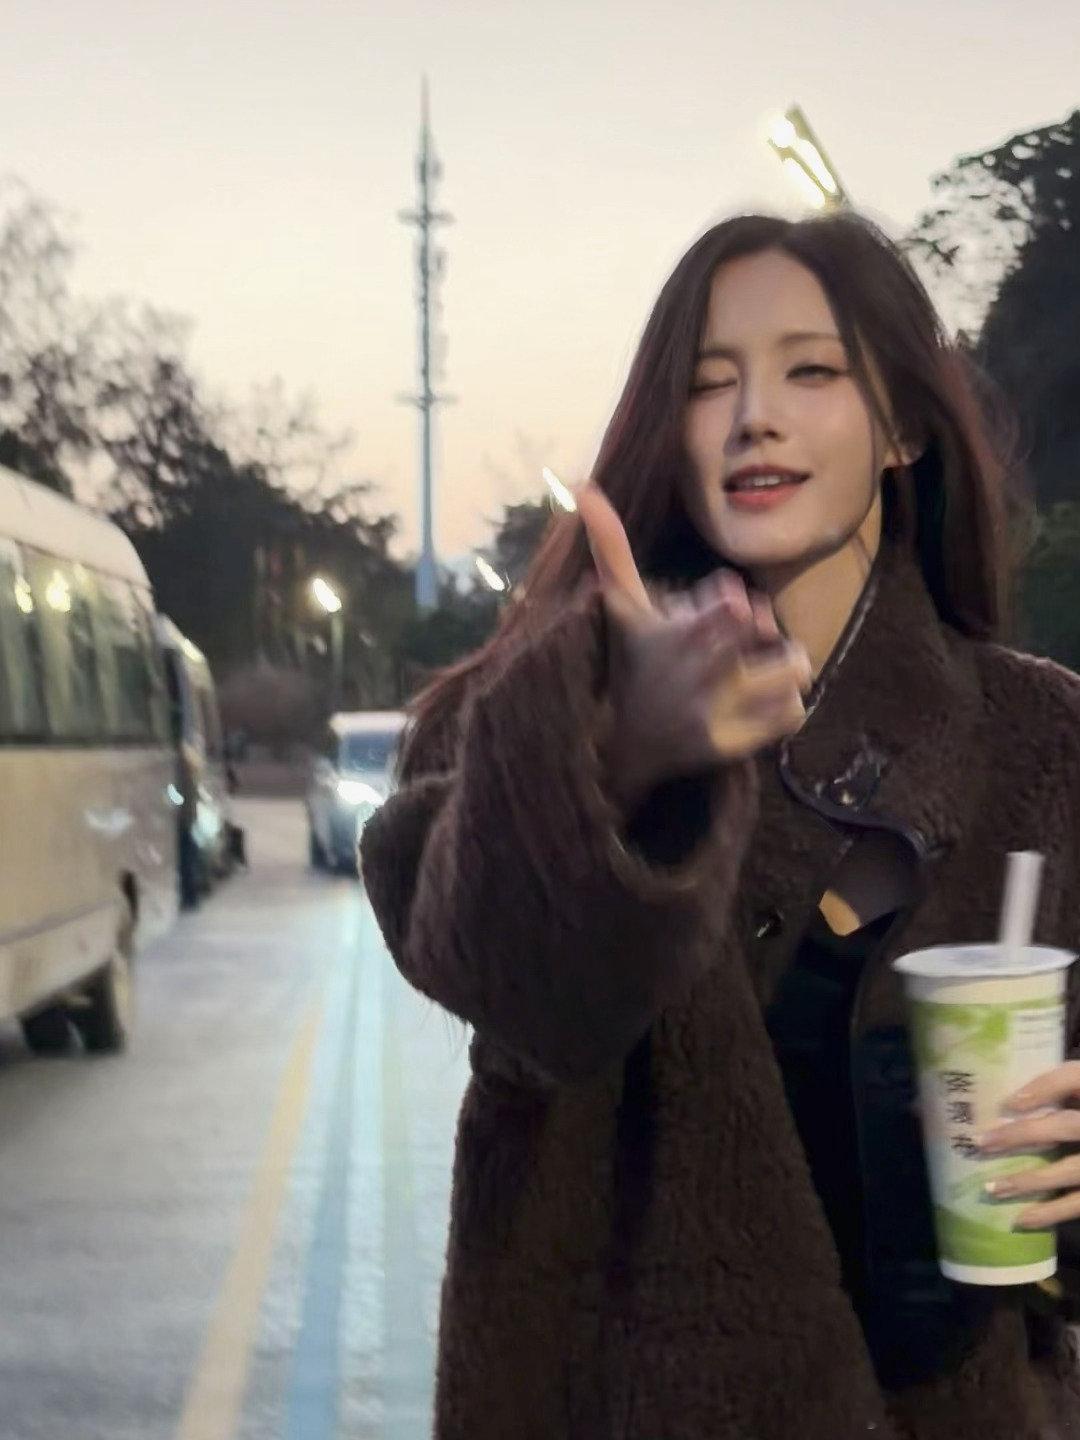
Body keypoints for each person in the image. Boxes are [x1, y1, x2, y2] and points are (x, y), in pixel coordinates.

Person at [360, 212, 1080, 1440]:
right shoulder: (539, 717)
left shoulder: (1041, 737)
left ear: (901, 430)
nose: (756, 417)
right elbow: (491, 966)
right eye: (710, 383)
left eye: (813, 371)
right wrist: (624, 751)